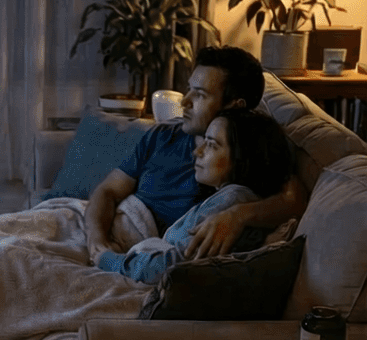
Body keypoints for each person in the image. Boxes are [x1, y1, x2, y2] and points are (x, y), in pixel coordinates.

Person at [84, 46, 306, 262]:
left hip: (150, 252)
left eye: (199, 95)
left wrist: (238, 216)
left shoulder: (252, 150)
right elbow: (108, 191)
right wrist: (97, 242)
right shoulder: (163, 135)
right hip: (107, 232)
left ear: (234, 106)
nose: (184, 101)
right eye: (189, 88)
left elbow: (294, 200)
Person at [94, 107, 292, 284]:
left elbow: (172, 268)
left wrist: (108, 259)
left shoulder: (233, 200)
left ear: (243, 158)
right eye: (203, 141)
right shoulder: (225, 198)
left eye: (212, 145)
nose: (197, 151)